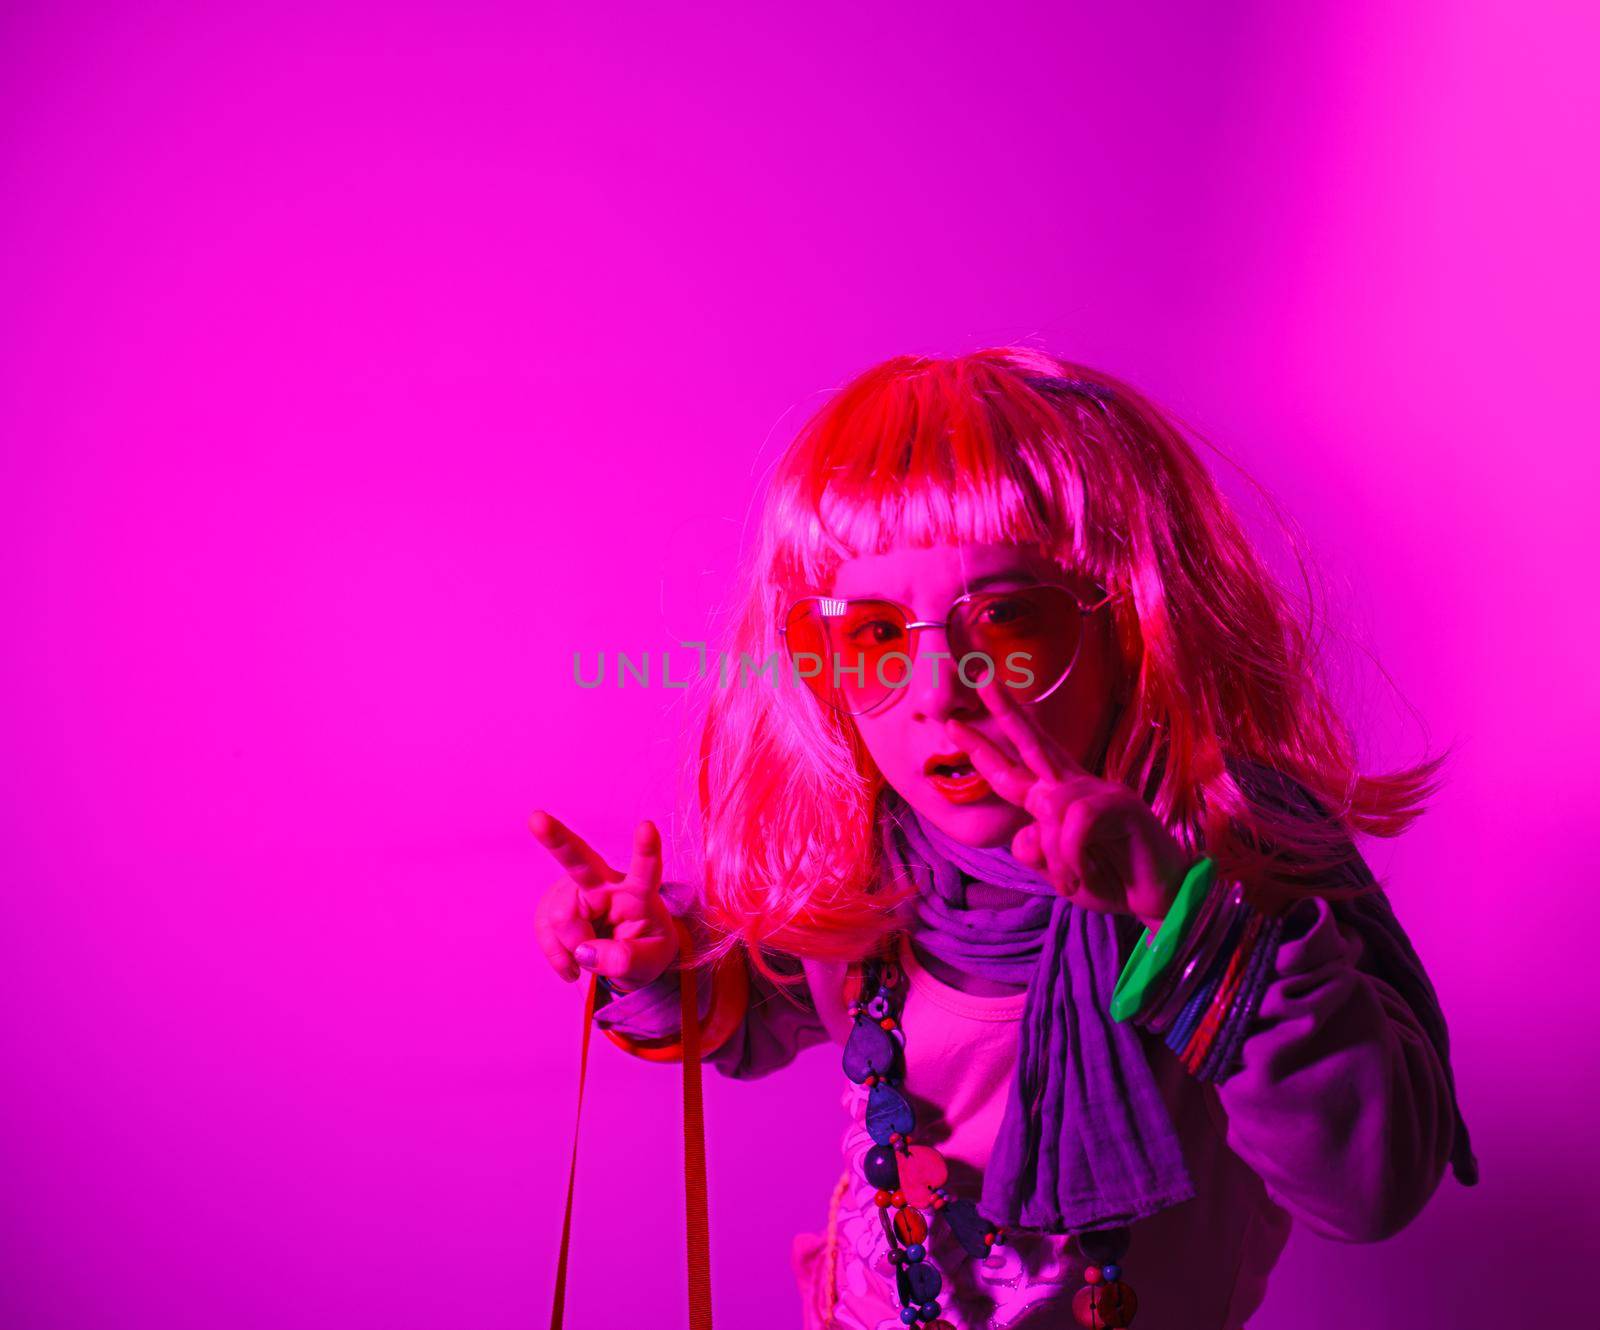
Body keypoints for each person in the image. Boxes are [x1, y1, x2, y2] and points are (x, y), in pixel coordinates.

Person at [530, 348, 1477, 1329]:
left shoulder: (1221, 864)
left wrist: (1190, 923)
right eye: (877, 635)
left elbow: (1367, 1185)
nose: (939, 691)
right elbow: (755, 1007)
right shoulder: (868, 857)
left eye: (1008, 620)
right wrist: (658, 961)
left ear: (1131, 624)